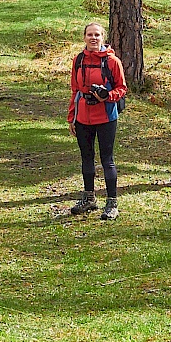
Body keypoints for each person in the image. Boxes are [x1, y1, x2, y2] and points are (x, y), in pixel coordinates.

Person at [67, 21, 126, 220]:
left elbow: (122, 88)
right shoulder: (78, 60)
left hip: (106, 116)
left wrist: (106, 96)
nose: (93, 38)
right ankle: (89, 198)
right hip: (83, 116)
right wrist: (72, 118)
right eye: (90, 35)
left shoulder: (112, 62)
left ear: (103, 38)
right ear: (84, 38)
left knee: (107, 160)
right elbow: (75, 91)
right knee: (86, 157)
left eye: (97, 35)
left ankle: (112, 203)